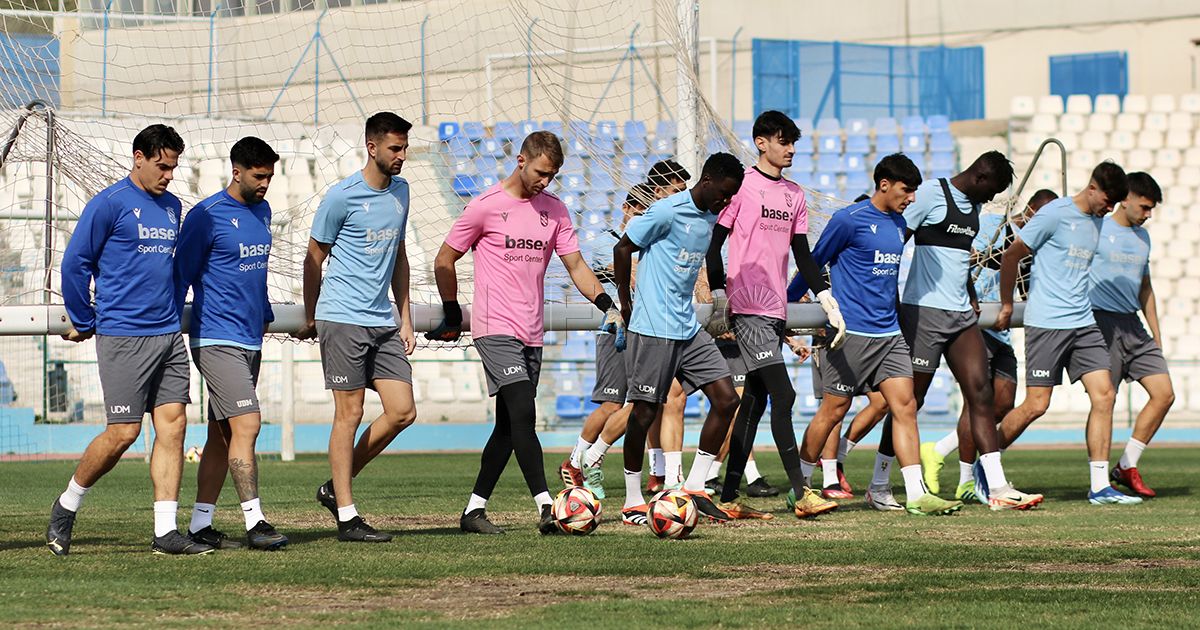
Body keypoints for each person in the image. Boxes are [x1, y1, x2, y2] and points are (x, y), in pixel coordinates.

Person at [431, 131, 620, 535]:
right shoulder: (485, 206)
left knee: (507, 427)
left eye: (552, 176)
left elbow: (576, 266)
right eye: (540, 173)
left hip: (532, 333)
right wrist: (451, 309)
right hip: (494, 327)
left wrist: (607, 304)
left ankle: (473, 511)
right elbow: (444, 259)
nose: (545, 182)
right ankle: (547, 505)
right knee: (523, 412)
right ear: (521, 161)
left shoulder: (556, 211)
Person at [48, 125, 208, 555]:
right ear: (138, 157)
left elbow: (173, 271)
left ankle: (165, 532)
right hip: (123, 336)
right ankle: (67, 504)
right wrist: (84, 318)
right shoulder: (109, 204)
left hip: (168, 335)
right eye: (162, 166)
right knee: (123, 433)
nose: (169, 175)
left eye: (173, 168)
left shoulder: (173, 207)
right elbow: (75, 264)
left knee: (173, 426)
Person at [789, 153, 963, 517]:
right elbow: (813, 262)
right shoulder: (847, 220)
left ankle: (915, 493)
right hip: (849, 334)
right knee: (833, 410)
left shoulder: (899, 224)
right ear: (884, 184)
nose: (911, 198)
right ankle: (799, 486)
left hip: (889, 335)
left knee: (905, 406)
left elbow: (888, 280)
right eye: (906, 190)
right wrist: (786, 309)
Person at [880, 151, 1042, 510]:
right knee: (910, 402)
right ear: (980, 177)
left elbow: (959, 258)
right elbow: (893, 244)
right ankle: (879, 482)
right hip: (924, 313)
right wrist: (886, 297)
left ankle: (998, 488)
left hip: (961, 316)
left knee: (981, 393)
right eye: (992, 189)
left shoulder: (973, 207)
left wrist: (968, 291)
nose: (992, 198)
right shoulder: (929, 195)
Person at [703, 110, 844, 519]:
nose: (791, 149)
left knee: (755, 403)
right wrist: (719, 295)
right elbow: (714, 244)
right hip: (746, 309)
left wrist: (825, 297)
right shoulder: (741, 187)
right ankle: (802, 494)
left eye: (793, 142)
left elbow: (803, 253)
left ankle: (729, 497)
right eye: (784, 141)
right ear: (761, 143)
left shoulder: (795, 195)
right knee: (784, 395)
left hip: (776, 311)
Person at [295, 112, 419, 542]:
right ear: (372, 147)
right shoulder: (341, 197)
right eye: (395, 148)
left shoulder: (402, 191)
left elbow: (399, 255)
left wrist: (405, 317)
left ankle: (335, 487)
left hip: (383, 320)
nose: (402, 156)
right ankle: (348, 516)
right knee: (349, 413)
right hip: (343, 317)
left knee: (403, 411)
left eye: (404, 148)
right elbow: (313, 257)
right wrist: (312, 314)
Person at [994, 161, 1140, 505]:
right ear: (1092, 188)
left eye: (1114, 204)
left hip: (1083, 323)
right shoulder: (1054, 214)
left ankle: (1100, 486)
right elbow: (1011, 256)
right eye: (1107, 201)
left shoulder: (1098, 221)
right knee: (1036, 405)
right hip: (1047, 323)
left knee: (1105, 395)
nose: (1109, 209)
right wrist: (1007, 304)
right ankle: (987, 465)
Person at [612, 152, 745, 525]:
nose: (725, 201)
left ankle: (695, 488)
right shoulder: (667, 211)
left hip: (687, 328)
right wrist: (625, 303)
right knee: (644, 413)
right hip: (653, 328)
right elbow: (623, 247)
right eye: (723, 193)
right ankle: (633, 500)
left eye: (731, 196)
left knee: (726, 400)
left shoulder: (711, 217)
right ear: (707, 181)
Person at [175, 137, 288, 551]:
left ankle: (200, 525)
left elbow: (255, 273)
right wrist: (167, 326)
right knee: (248, 423)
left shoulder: (263, 210)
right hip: (215, 338)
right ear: (236, 172)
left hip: (250, 338)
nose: (265, 184)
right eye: (259, 176)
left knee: (222, 436)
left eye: (270, 176)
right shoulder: (206, 216)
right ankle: (255, 522)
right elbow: (180, 276)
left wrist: (265, 313)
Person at [920, 188, 1057, 500]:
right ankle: (967, 480)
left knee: (1003, 404)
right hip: (976, 323)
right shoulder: (994, 226)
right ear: (1033, 211)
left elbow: (1026, 286)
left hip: (1001, 330)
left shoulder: (1035, 245)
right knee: (976, 402)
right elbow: (964, 260)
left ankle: (938, 449)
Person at [560, 184, 653, 500]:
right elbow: (623, 271)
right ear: (626, 209)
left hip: (645, 331)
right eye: (639, 210)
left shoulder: (649, 244)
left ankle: (653, 471)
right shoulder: (606, 242)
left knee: (645, 402)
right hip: (615, 332)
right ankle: (575, 461)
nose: (643, 216)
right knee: (612, 403)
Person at [1089, 172, 1173, 498]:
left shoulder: (1143, 237)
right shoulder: (1097, 230)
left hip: (1134, 325)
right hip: (1101, 322)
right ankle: (1099, 481)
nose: (1148, 214)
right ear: (1125, 199)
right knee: (1105, 400)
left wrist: (1156, 334)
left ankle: (1126, 465)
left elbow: (1145, 287)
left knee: (1164, 394)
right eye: (1145, 207)